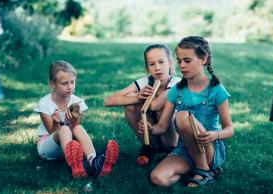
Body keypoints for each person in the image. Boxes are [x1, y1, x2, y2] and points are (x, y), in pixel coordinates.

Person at [139, 36, 234, 187]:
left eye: (187, 60)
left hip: (209, 148)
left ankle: (204, 169)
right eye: (179, 61)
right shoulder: (177, 90)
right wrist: (151, 129)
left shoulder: (217, 90)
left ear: (203, 59)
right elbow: (162, 126)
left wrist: (214, 135)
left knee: (182, 116)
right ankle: (196, 170)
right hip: (185, 149)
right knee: (158, 178)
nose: (181, 65)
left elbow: (229, 130)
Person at [35, 61, 119, 178]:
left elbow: (74, 128)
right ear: (52, 84)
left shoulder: (77, 102)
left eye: (72, 82)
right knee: (63, 129)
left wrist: (75, 120)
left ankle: (93, 162)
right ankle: (74, 165)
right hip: (48, 148)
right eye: (64, 83)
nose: (70, 87)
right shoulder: (44, 104)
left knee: (78, 127)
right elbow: (52, 134)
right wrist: (55, 122)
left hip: (70, 146)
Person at [104, 44, 181, 166]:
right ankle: (149, 147)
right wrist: (138, 96)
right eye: (152, 64)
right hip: (151, 132)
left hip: (171, 137)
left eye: (161, 62)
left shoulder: (176, 82)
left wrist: (142, 99)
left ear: (170, 63)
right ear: (147, 68)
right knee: (129, 104)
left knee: (162, 106)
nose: (157, 68)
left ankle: (173, 150)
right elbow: (108, 101)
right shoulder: (145, 82)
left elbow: (155, 105)